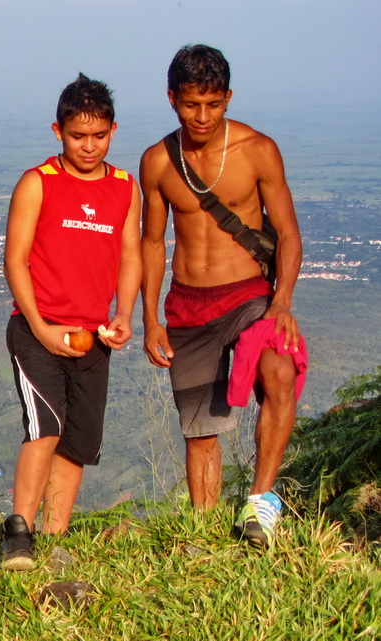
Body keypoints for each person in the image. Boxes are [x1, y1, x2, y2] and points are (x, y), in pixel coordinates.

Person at [139, 44, 304, 549]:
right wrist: (150, 319)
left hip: (250, 295)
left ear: (228, 98)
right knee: (200, 430)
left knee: (279, 370)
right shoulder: (157, 162)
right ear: (172, 99)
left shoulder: (258, 150)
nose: (203, 116)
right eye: (192, 104)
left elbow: (291, 235)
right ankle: (207, 534)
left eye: (213, 103)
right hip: (187, 305)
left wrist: (281, 303)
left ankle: (260, 504)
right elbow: (151, 242)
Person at [0, 73, 141, 570]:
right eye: (78, 136)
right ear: (57, 131)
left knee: (78, 438)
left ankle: (57, 538)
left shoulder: (125, 188)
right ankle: (18, 532)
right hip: (38, 328)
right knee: (45, 426)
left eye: (98, 136)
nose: (88, 146)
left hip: (93, 335)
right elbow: (15, 259)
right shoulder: (38, 183)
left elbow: (129, 256)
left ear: (113, 131)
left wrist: (124, 315)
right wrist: (39, 327)